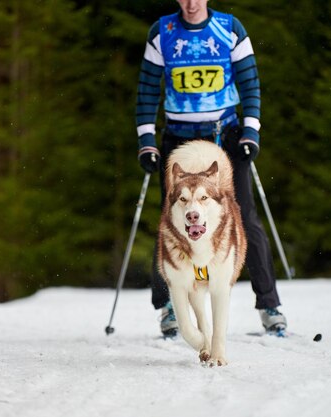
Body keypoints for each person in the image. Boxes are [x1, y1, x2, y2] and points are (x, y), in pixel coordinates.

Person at [135, 0, 286, 337]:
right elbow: (147, 90)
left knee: (243, 216)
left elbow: (250, 84)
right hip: (179, 139)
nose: (190, 4)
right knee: (174, 220)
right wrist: (146, 140)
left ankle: (269, 305)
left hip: (224, 138)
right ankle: (168, 306)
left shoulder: (230, 29)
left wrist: (251, 131)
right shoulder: (163, 32)